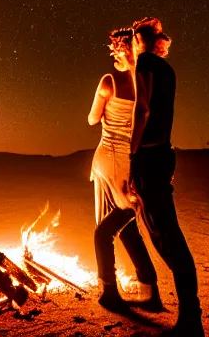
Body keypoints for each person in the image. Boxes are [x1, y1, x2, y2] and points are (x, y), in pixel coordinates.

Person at [130, 17, 205, 336]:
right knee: (166, 234)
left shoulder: (145, 61)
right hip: (164, 152)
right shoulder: (166, 68)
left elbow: (142, 108)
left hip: (149, 154)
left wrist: (132, 155)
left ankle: (191, 320)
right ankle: (191, 315)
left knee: (165, 236)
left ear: (139, 39)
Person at [88, 27, 162, 314]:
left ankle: (109, 291)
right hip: (133, 163)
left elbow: (93, 118)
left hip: (108, 160)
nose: (113, 54)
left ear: (124, 49)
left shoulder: (109, 82)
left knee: (105, 230)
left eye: (115, 48)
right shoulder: (149, 84)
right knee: (128, 228)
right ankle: (150, 290)